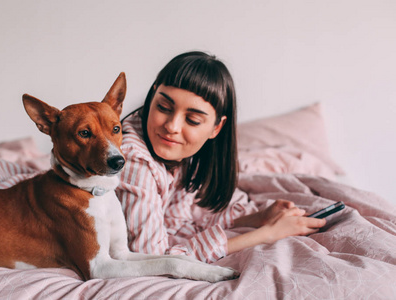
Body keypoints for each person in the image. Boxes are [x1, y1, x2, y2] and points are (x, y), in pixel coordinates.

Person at [115, 51, 326, 263]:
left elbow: (175, 226)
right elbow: (153, 259)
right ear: (153, 96)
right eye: (163, 107)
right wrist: (266, 234)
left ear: (217, 127)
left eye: (193, 120)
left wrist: (257, 219)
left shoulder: (183, 152)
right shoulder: (134, 160)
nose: (172, 126)